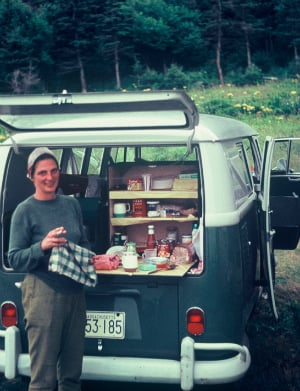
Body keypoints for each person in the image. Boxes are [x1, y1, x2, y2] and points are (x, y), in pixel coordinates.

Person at [8, 147, 92, 391]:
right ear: (31, 176)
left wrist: (93, 259)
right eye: (42, 172)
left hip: (75, 293)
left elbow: (83, 242)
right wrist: (42, 246)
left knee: (71, 374)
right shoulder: (25, 211)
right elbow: (15, 258)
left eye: (54, 171)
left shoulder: (71, 205)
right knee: (44, 379)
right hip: (43, 293)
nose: (49, 177)